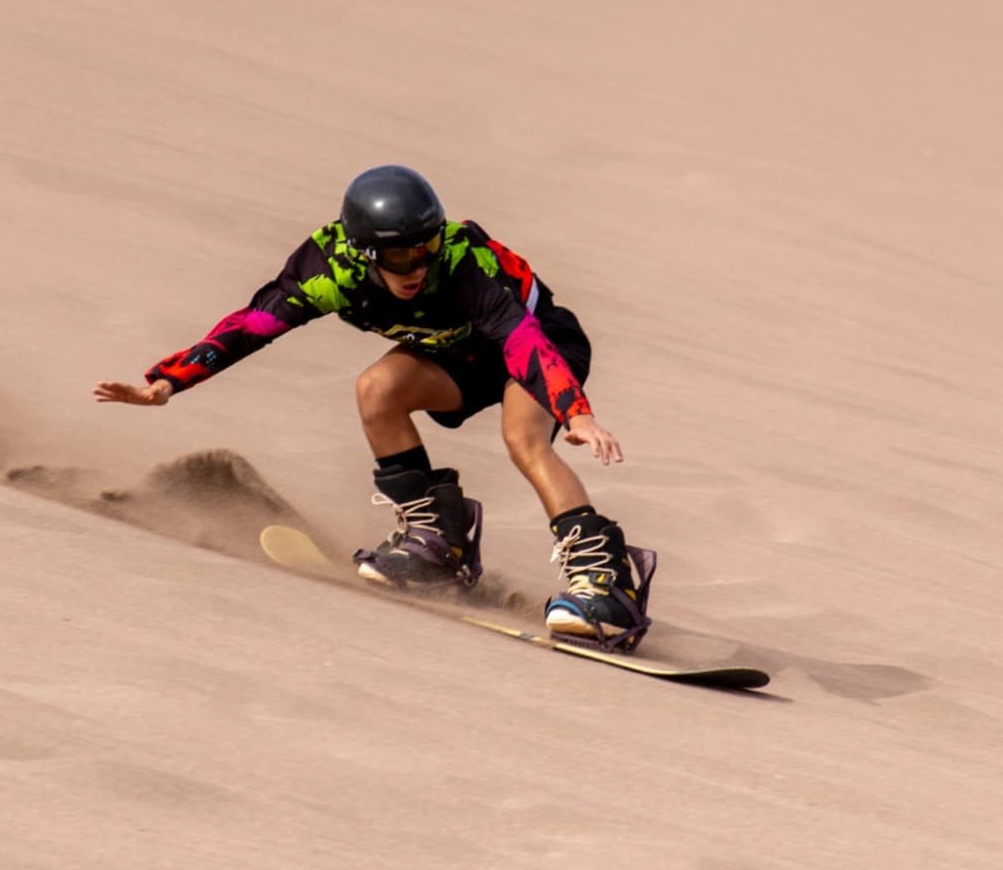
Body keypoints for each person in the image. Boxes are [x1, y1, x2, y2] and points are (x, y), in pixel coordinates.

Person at [94, 165, 655, 650]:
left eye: (425, 247)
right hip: (455, 351)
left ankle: (606, 583)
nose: (416, 267)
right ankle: (439, 545)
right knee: (377, 389)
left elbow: (522, 342)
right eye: (399, 254)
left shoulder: (461, 264)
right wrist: (169, 382)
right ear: (364, 252)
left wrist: (575, 412)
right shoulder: (327, 271)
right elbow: (253, 324)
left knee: (522, 437)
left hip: (538, 344)